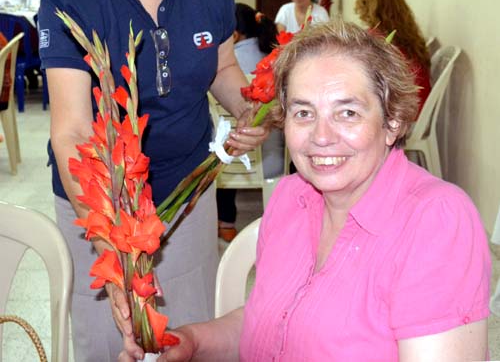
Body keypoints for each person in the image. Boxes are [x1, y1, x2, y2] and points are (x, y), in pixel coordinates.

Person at [37, 0, 267, 362]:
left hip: (186, 190)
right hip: (99, 201)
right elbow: (70, 130)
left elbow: (222, 66)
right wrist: (109, 243)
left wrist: (249, 108)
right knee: (107, 340)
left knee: (188, 333)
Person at [149, 19, 491, 362]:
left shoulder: (435, 222)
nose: (321, 136)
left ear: (392, 122)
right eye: (303, 112)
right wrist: (192, 341)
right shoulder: (290, 198)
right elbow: (272, 324)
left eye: (347, 112)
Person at [217, 3, 284, 243]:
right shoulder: (274, 58)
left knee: (220, 135)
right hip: (274, 162)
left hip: (230, 160)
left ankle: (226, 222)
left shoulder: (223, 65)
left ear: (233, 35)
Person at [355, 0, 431, 114]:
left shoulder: (375, 38)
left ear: (366, 6)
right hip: (420, 107)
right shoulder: (408, 35)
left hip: (403, 112)